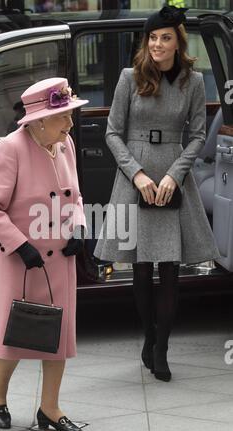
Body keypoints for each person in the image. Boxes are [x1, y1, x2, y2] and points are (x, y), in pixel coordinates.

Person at [94, 6, 221, 382]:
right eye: (152, 38)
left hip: (173, 174)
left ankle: (162, 346)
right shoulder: (129, 77)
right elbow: (112, 132)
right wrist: (137, 175)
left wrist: (174, 176)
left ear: (178, 42)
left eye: (165, 37)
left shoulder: (193, 81)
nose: (157, 44)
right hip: (134, 175)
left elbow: (198, 135)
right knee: (140, 266)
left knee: (169, 269)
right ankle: (148, 336)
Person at [0, 77, 88, 431]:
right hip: (19, 260)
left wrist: (79, 228)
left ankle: (50, 408)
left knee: (58, 335)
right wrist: (20, 244)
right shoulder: (10, 149)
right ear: (39, 120)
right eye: (64, 116)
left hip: (59, 261)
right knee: (16, 335)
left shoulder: (64, 144)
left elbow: (77, 196)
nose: (70, 123)